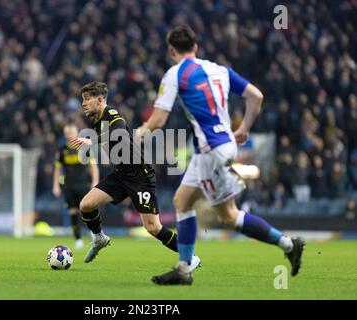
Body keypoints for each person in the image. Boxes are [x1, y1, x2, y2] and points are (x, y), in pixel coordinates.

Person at [136, 25, 305, 285]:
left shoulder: (175, 74)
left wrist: (142, 131)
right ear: (196, 47)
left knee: (228, 216)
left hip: (210, 150)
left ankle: (288, 244)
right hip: (220, 144)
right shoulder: (219, 70)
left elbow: (158, 119)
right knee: (182, 201)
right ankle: (184, 267)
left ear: (171, 50)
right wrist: (244, 128)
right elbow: (256, 97)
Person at [68, 81, 201, 269]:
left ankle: (190, 257)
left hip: (140, 175)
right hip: (122, 174)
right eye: (83, 100)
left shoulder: (113, 116)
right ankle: (99, 239)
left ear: (99, 100)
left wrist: (92, 140)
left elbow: (119, 134)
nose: (83, 104)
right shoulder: (96, 119)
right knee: (86, 205)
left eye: (87, 100)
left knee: (153, 227)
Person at [53, 124, 99, 249]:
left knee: (87, 210)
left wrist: (95, 181)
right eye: (67, 132)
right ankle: (78, 239)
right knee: (73, 212)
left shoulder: (84, 148)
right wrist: (55, 185)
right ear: (64, 134)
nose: (69, 134)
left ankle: (93, 233)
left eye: (71, 132)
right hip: (69, 185)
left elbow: (93, 166)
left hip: (84, 184)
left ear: (77, 133)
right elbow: (58, 168)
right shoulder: (62, 149)